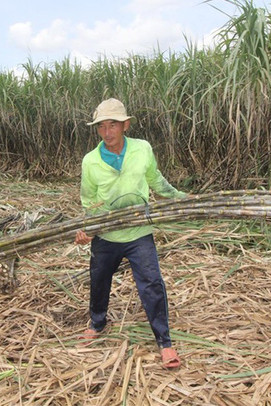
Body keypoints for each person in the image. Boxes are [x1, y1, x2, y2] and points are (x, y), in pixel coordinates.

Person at [75, 98, 186, 369]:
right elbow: (89, 200)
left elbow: (155, 179)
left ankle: (165, 342)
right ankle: (97, 323)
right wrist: (88, 229)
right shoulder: (90, 161)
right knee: (99, 280)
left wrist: (180, 198)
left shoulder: (142, 149)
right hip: (107, 235)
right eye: (102, 126)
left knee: (151, 284)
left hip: (139, 233)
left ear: (125, 125)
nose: (107, 132)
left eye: (113, 124)